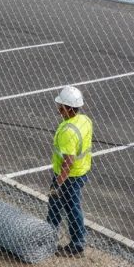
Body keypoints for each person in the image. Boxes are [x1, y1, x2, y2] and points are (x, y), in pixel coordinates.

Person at [46, 85, 92, 257]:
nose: (58, 109)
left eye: (61, 107)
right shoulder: (85, 120)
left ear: (68, 108)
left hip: (67, 177)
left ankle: (77, 244)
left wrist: (58, 184)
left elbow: (68, 162)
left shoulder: (68, 132)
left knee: (67, 207)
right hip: (81, 172)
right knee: (59, 206)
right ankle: (50, 237)